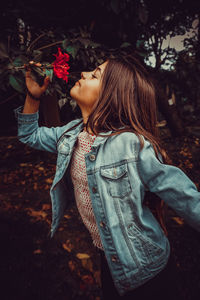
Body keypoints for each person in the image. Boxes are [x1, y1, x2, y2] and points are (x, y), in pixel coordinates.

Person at [14, 55, 200, 299]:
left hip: (147, 268)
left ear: (111, 96)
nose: (83, 74)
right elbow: (29, 135)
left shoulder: (131, 144)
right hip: (110, 260)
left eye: (95, 75)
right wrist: (33, 96)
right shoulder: (70, 134)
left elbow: (186, 197)